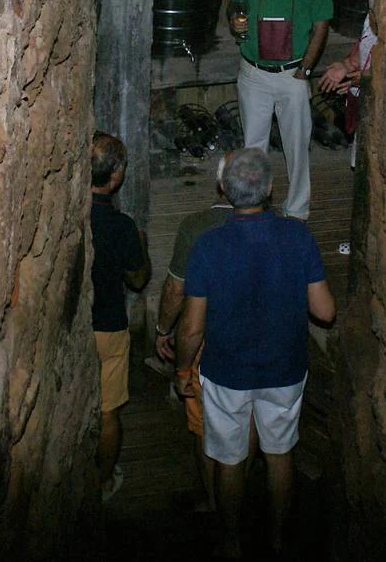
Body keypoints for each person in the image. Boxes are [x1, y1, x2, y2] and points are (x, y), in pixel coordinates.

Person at [173, 148, 336, 557]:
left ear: (224, 191)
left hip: (227, 371)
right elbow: (324, 310)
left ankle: (231, 540)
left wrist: (181, 370)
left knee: (231, 458)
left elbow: (191, 327)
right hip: (284, 367)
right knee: (280, 454)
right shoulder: (297, 236)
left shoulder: (208, 245)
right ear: (270, 188)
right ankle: (279, 539)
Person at [228, 0, 333, 220]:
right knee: (253, 147)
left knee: (297, 146)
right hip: (254, 73)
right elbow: (236, 4)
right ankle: (253, 207)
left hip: (293, 74)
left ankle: (298, 211)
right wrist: (235, 21)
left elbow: (321, 27)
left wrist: (306, 71)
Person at [154, 152, 237, 513]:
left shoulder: (196, 226)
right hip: (255, 344)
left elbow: (176, 288)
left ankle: (215, 505)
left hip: (209, 348)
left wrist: (162, 329)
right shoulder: (279, 222)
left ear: (220, 185)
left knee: (205, 431)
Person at [89, 131, 151, 502]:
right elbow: (138, 278)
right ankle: (104, 480)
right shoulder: (121, 225)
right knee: (109, 410)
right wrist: (140, 244)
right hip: (109, 325)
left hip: (79, 328)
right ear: (115, 176)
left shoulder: (72, 214)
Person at [317, 12, 378, 168]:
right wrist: (347, 65)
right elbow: (366, 43)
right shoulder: (374, 12)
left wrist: (364, 79)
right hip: (364, 105)